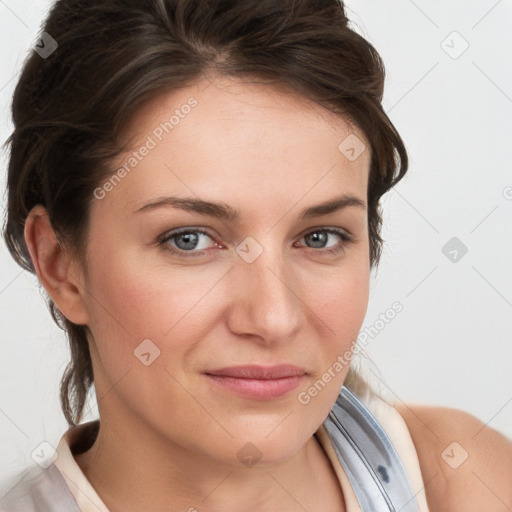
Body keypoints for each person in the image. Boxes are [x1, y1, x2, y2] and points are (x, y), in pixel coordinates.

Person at [1, 0, 511, 510]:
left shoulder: (462, 483)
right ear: (60, 265)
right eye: (190, 239)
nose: (274, 318)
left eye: (319, 237)